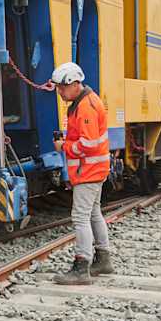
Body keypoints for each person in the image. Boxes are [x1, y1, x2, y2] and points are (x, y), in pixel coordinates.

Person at [51, 62, 114, 285]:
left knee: (80, 217)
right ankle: (103, 259)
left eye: (62, 88)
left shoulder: (85, 106)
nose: (60, 92)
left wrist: (64, 147)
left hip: (89, 170)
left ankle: (82, 267)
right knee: (94, 213)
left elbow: (88, 144)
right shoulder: (85, 101)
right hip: (94, 169)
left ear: (75, 84)